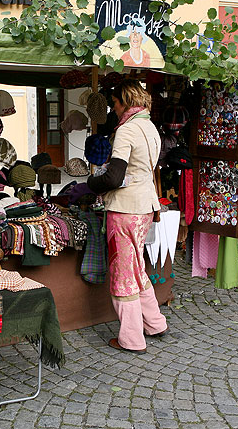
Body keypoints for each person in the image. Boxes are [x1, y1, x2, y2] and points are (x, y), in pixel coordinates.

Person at [86, 79, 167, 354]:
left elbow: (114, 176)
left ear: (124, 102)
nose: (113, 109)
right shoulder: (150, 127)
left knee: (123, 272)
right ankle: (155, 323)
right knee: (136, 268)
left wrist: (90, 183)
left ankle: (131, 338)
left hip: (124, 209)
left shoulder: (126, 130)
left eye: (115, 103)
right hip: (145, 205)